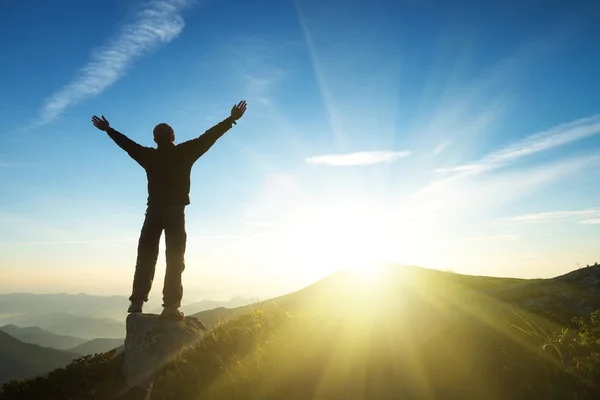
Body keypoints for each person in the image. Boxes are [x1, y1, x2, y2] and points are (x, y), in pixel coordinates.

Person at [91, 101, 247, 320]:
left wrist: (108, 130)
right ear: (173, 136)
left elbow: (128, 145)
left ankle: (137, 302)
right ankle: (171, 307)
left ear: (155, 139)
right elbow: (209, 137)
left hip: (153, 212)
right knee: (175, 259)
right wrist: (231, 120)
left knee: (146, 256)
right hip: (176, 213)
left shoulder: (149, 156)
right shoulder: (186, 152)